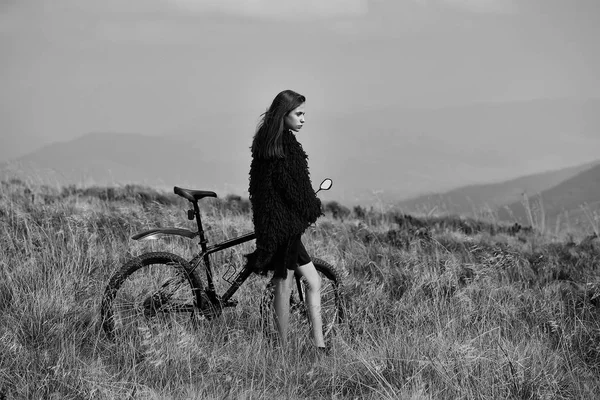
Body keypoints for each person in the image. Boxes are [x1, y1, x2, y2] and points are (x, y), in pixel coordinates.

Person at [247, 89, 326, 351]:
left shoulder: (267, 141)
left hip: (274, 223)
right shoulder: (285, 146)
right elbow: (294, 188)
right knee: (285, 282)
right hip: (284, 227)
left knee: (313, 282)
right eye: (299, 113)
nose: (303, 119)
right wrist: (312, 206)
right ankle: (282, 350)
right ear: (285, 114)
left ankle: (319, 345)